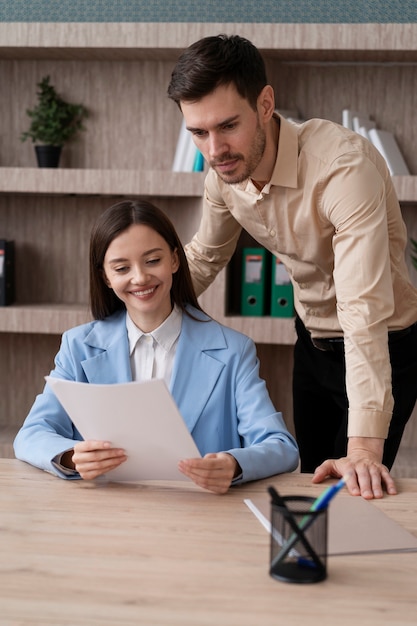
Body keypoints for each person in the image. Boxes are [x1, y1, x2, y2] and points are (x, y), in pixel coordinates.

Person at [167, 34, 417, 499]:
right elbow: (205, 256)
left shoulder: (343, 168)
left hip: (384, 340)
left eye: (227, 126)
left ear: (265, 104)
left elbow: (363, 309)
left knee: (356, 487)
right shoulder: (223, 177)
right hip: (312, 339)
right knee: (311, 480)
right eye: (198, 133)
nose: (214, 148)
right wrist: (134, 307)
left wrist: (363, 447)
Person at [13, 199, 299, 493]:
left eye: (152, 261)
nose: (140, 278)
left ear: (175, 260)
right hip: (104, 515)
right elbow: (31, 434)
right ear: (106, 277)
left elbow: (280, 447)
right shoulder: (78, 346)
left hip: (199, 516)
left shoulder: (234, 350)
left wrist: (234, 464)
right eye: (122, 267)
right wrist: (71, 457)